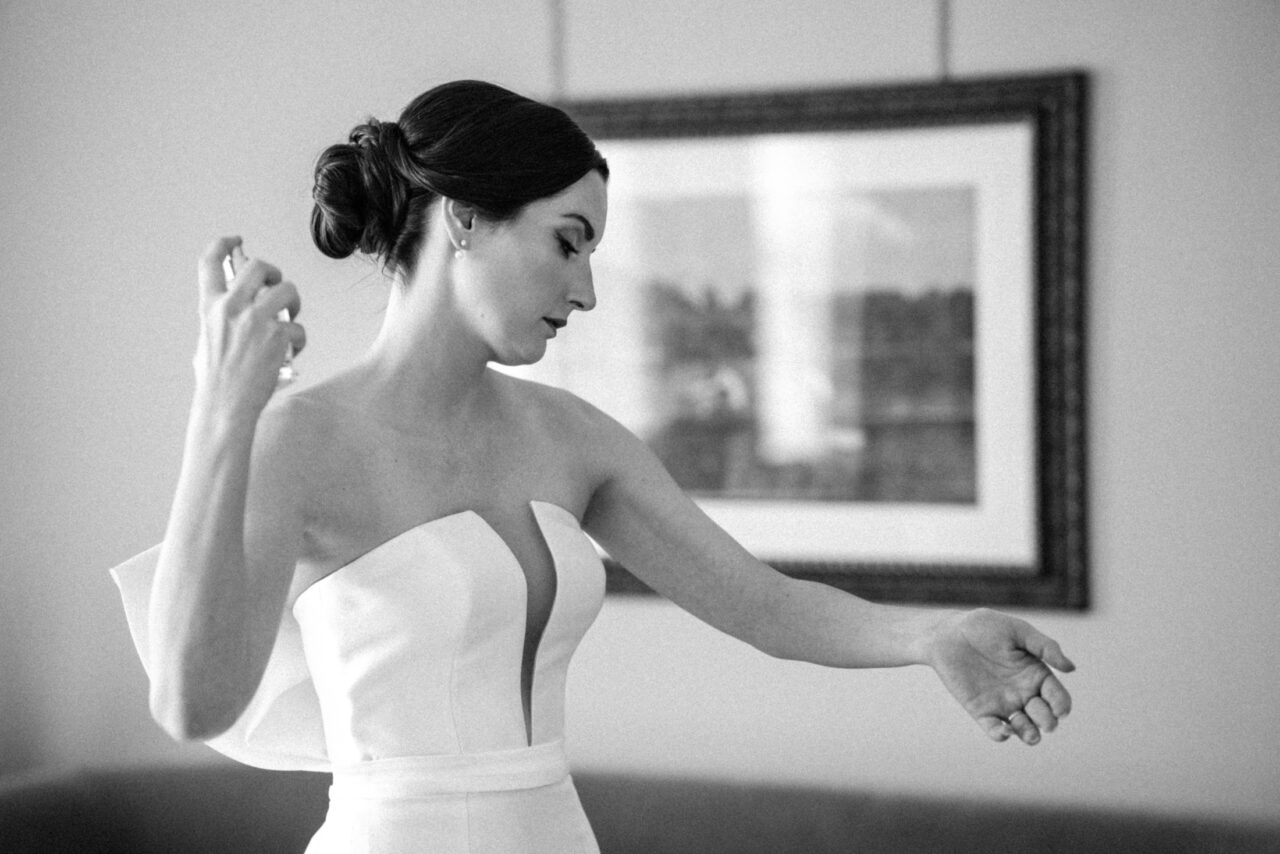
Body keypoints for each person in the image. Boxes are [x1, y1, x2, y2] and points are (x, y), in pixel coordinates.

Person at [110, 80, 1075, 854]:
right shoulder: (300, 439)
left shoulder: (573, 439)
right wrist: (221, 412)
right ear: (464, 220)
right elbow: (192, 703)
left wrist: (934, 634)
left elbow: (767, 606)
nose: (587, 291)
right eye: (568, 244)